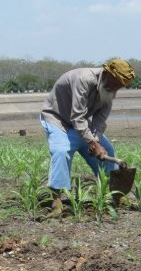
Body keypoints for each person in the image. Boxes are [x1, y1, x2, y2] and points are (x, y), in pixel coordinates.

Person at [40, 58, 135, 216]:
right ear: (106, 74)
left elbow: (100, 118)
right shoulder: (84, 79)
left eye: (120, 86)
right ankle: (56, 201)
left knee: (108, 151)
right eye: (115, 83)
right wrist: (92, 142)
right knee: (61, 152)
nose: (115, 88)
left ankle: (113, 195)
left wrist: (96, 141)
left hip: (81, 125)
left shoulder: (110, 89)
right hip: (58, 120)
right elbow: (77, 115)